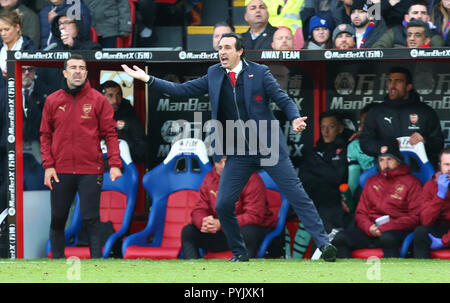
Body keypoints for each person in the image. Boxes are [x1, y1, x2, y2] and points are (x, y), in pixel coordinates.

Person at [121, 32, 337, 262]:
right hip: (238, 151)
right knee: (223, 204)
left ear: (239, 51)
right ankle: (239, 252)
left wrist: (294, 118)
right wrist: (147, 79)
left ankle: (324, 245)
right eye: (220, 48)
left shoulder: (260, 72)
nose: (222, 52)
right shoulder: (214, 73)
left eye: (227, 48)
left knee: (297, 194)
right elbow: (181, 90)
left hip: (268, 147)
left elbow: (283, 99)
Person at [40, 54, 122, 259]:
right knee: (58, 218)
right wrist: (48, 166)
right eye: (73, 67)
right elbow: (45, 135)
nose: (78, 71)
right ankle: (57, 263)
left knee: (91, 219)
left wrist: (114, 164)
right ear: (65, 72)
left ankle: (96, 265)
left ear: (86, 73)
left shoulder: (98, 100)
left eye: (82, 68)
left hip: (90, 170)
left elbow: (111, 134)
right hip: (61, 170)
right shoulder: (52, 100)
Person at [332, 139, 422, 258]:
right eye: (381, 160)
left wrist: (385, 227)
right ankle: (349, 275)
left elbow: (415, 217)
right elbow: (360, 212)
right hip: (370, 230)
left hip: (396, 231)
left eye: (389, 159)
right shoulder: (371, 181)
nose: (385, 164)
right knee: (340, 238)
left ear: (398, 161)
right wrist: (369, 227)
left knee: (387, 238)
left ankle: (393, 275)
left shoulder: (412, 182)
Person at [181, 156, 277, 259]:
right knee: (188, 231)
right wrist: (204, 222)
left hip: (247, 231)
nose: (223, 166)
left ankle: (244, 269)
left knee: (248, 232)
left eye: (227, 162)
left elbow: (254, 216)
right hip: (221, 232)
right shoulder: (210, 178)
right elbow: (199, 209)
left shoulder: (251, 178)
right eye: (219, 162)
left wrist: (222, 224)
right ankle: (193, 270)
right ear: (214, 164)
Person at [359, 66, 444, 169]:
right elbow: (365, 143)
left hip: (417, 170)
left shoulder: (425, 111)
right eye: (390, 81)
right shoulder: (376, 112)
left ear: (408, 86)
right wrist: (387, 147)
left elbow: (438, 143)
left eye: (398, 81)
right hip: (386, 171)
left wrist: (425, 141)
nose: (392, 86)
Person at [299, 111, 350, 234]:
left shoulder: (346, 149)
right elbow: (303, 177)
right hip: (316, 200)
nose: (326, 131)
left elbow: (339, 177)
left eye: (331, 127)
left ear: (340, 129)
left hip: (336, 202)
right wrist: (328, 171)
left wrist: (317, 168)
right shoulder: (315, 152)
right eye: (323, 127)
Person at [413, 147, 450, 258]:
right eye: (447, 165)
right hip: (440, 228)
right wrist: (440, 196)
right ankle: (420, 272)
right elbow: (425, 221)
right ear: (440, 165)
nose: (449, 169)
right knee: (421, 232)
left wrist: (444, 241)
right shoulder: (431, 185)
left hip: (447, 236)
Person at [99, 80, 148, 163]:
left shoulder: (129, 114)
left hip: (124, 165)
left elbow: (142, 150)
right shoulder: (93, 113)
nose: (115, 100)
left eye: (118, 95)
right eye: (110, 96)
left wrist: (123, 139)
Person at [373, 0, 444, 48]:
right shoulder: (395, 32)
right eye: (415, 13)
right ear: (406, 17)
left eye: (423, 13)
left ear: (428, 18)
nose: (419, 16)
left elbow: (438, 56)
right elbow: (377, 49)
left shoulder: (434, 35)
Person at [346, 103, 376, 197]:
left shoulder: (390, 142)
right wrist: (348, 197)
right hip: (366, 191)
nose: (364, 127)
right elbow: (353, 179)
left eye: (368, 123)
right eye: (362, 123)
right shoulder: (354, 146)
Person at [0, 8, 35, 78]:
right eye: (0, 30)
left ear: (17, 27)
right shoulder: (1, 48)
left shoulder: (29, 48)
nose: (3, 33)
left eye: (6, 29)